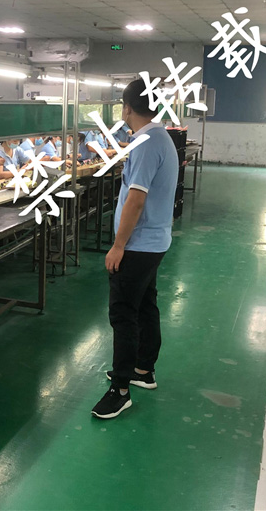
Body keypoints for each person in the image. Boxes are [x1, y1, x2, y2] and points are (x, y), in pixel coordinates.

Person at [91, 79, 178, 420]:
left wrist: (118, 245)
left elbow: (136, 200)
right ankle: (143, 370)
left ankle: (121, 391)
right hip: (154, 242)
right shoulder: (160, 136)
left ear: (126, 108)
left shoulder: (146, 142)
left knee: (123, 314)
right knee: (145, 305)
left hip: (138, 246)